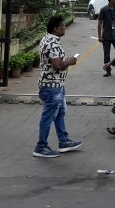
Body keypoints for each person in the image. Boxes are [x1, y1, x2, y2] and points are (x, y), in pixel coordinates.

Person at [33, 15, 82, 158]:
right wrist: (70, 61)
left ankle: (63, 141)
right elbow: (57, 65)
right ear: (55, 29)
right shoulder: (53, 43)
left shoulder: (46, 38)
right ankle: (41, 146)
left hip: (55, 84)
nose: (64, 27)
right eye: (62, 26)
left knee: (59, 113)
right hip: (52, 86)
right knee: (48, 116)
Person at [97, 0, 115, 77]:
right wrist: (100, 36)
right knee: (106, 54)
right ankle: (108, 70)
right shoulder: (103, 10)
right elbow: (99, 23)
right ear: (111, 0)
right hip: (106, 36)